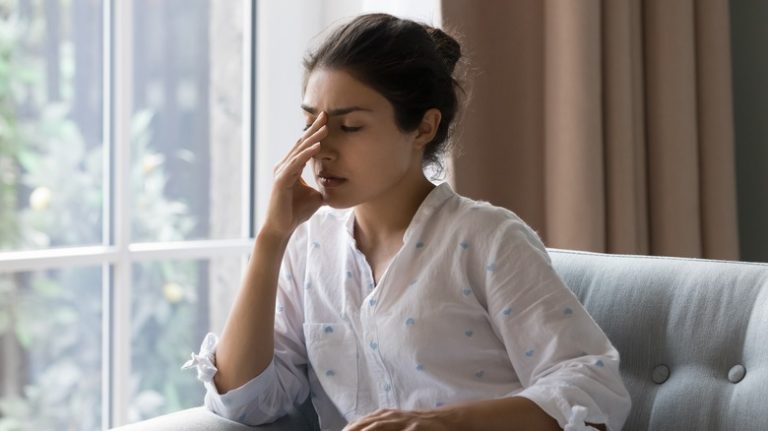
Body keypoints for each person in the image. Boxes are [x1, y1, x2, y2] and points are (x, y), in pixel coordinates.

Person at [183, 13, 631, 431]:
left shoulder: (488, 240)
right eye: (310, 124)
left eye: (350, 126)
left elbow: (592, 386)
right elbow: (242, 400)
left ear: (423, 128)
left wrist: (443, 424)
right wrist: (271, 238)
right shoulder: (308, 248)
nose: (320, 148)